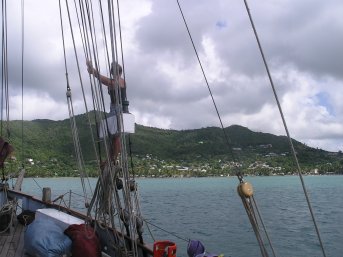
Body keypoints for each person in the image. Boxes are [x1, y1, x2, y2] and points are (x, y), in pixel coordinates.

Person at [86, 60, 126, 163]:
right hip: (117, 109)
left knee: (115, 136)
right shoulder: (120, 81)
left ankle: (113, 158)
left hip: (117, 109)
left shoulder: (116, 82)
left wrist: (92, 70)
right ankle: (111, 158)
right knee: (113, 136)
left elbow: (102, 79)